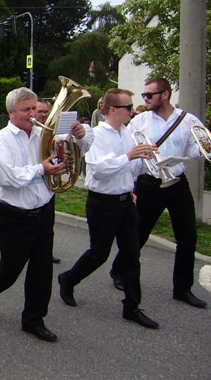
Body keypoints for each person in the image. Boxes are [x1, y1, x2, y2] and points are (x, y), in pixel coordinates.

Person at [0, 87, 89, 343]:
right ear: (11, 112)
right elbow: (8, 178)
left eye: (34, 108)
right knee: (11, 268)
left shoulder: (45, 135)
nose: (32, 114)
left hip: (43, 212)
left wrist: (79, 136)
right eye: (26, 110)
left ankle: (34, 320)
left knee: (42, 270)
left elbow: (78, 149)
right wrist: (41, 169)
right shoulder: (1, 141)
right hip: (12, 216)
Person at [58, 88, 160, 329]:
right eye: (128, 107)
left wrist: (148, 161)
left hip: (126, 202)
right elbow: (98, 168)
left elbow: (131, 168)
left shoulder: (129, 133)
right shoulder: (95, 135)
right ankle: (68, 279)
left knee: (132, 255)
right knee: (99, 254)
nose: (132, 111)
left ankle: (132, 307)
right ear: (113, 110)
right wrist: (129, 156)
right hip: (102, 203)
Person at [110, 78, 207, 309]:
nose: (145, 99)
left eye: (149, 95)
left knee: (188, 237)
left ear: (165, 94)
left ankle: (182, 288)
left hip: (177, 183)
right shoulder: (140, 121)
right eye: (144, 95)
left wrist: (203, 148)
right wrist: (131, 185)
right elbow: (128, 151)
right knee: (138, 233)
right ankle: (119, 271)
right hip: (149, 183)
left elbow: (194, 148)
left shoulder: (187, 120)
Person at [35, 100, 62, 265]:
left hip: (49, 182)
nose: (44, 115)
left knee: (48, 220)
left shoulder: (55, 132)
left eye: (47, 112)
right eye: (41, 112)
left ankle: (46, 251)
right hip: (35, 181)